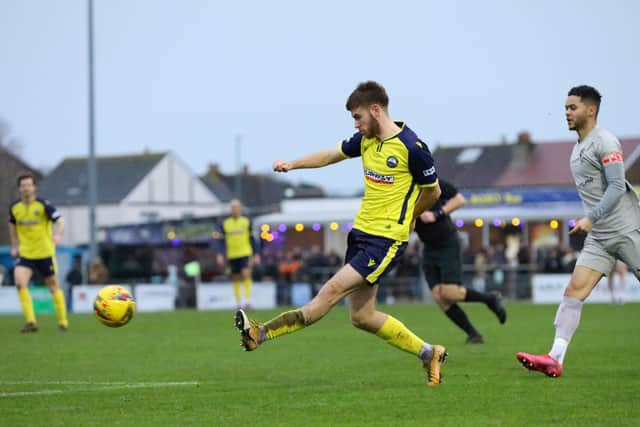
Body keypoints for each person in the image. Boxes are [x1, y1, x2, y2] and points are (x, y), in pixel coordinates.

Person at [234, 81, 448, 386]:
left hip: (386, 240)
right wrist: (293, 164)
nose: (356, 125)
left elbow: (433, 190)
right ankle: (430, 353)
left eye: (358, 117)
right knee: (362, 317)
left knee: (331, 290)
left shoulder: (412, 147)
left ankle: (261, 332)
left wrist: (410, 217)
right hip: (360, 234)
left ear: (376, 110)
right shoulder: (366, 141)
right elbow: (332, 154)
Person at [517, 85, 640, 377]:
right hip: (600, 238)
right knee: (573, 292)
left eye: (572, 107)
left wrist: (591, 218)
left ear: (591, 109)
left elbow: (615, 186)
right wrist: (594, 223)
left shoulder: (606, 142)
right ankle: (555, 357)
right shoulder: (578, 148)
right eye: (565, 108)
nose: (567, 113)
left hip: (626, 230)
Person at [414, 179, 506, 344]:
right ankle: (474, 334)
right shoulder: (401, 191)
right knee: (438, 296)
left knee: (450, 293)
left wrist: (437, 214)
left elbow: (459, 199)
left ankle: (490, 298)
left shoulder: (429, 181)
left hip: (447, 243)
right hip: (428, 247)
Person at [8, 172, 68, 332]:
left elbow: (60, 220)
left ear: (34, 187)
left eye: (29, 185)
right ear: (19, 189)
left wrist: (58, 234)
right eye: (23, 185)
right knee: (20, 283)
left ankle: (63, 321)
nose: (26, 188)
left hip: (45, 253)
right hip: (26, 254)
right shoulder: (15, 208)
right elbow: (12, 228)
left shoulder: (43, 205)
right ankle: (31, 321)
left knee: (53, 286)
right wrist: (15, 247)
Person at [216, 199, 260, 309]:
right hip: (232, 254)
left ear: (240, 208)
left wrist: (256, 254)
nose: (234, 209)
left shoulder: (246, 221)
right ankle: (238, 302)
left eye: (236, 207)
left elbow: (253, 239)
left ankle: (248, 301)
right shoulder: (225, 223)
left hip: (245, 252)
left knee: (246, 274)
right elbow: (221, 240)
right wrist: (220, 254)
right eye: (232, 207)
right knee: (235, 277)